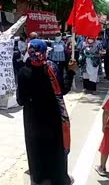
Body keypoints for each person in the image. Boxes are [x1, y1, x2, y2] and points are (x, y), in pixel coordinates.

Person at [17, 39, 77, 185]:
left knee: (35, 146)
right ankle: (57, 177)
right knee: (54, 147)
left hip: (33, 118)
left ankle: (38, 177)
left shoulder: (23, 72)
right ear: (44, 52)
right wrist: (71, 72)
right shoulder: (52, 68)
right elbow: (62, 90)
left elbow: (20, 100)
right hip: (52, 117)